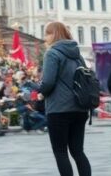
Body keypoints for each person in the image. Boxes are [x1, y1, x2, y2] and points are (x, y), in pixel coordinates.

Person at [39, 21, 91, 176]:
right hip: (80, 108)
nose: (45, 37)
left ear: (54, 34)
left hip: (59, 109)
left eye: (47, 33)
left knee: (60, 152)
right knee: (78, 151)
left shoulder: (52, 53)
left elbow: (48, 82)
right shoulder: (78, 55)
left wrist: (40, 90)